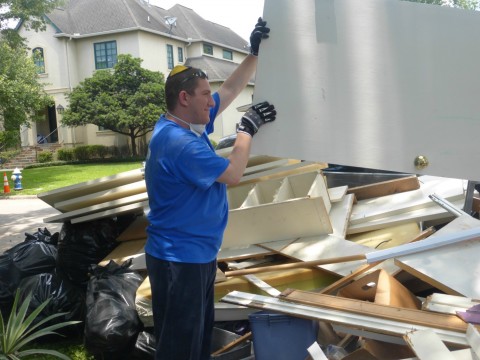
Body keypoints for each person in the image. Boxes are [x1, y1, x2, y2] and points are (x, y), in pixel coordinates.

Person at [144, 17, 276, 360]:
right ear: (184, 98)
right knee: (180, 349)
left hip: (196, 254)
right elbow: (233, 173)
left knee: (196, 342)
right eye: (205, 96)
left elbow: (230, 90)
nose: (211, 101)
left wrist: (253, 54)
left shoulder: (188, 124)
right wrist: (247, 129)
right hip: (179, 259)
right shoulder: (179, 143)